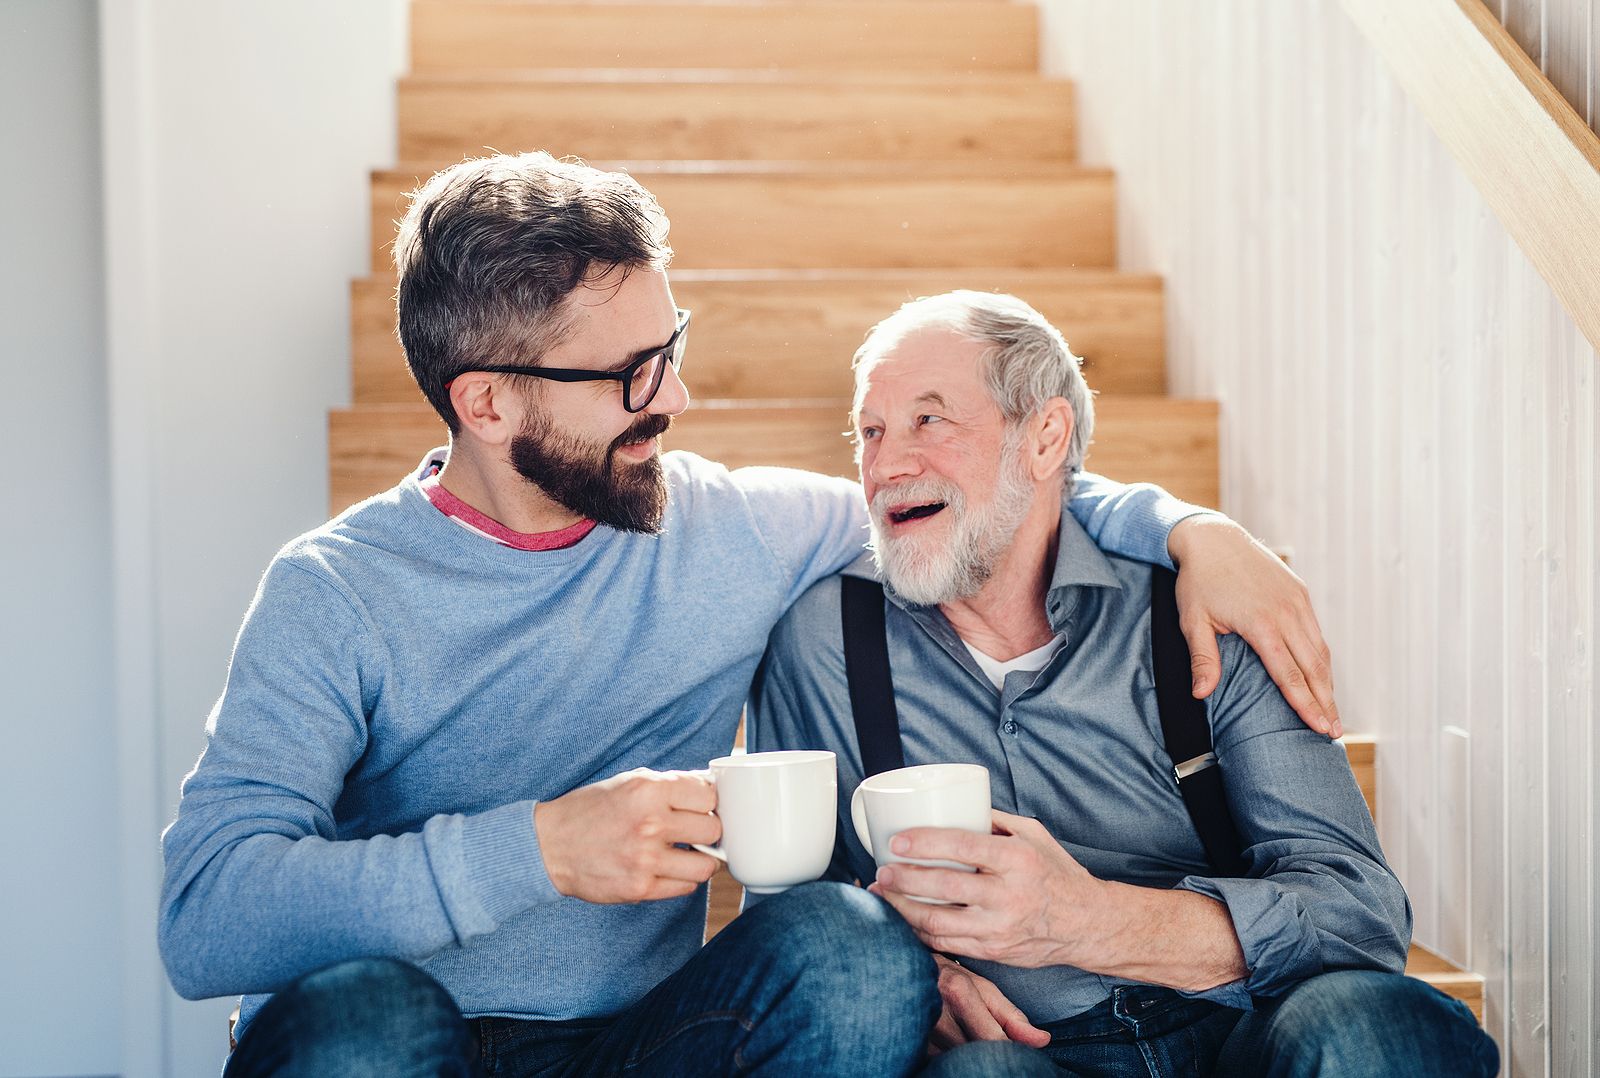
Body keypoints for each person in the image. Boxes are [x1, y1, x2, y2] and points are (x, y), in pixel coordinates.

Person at [159, 153, 1344, 1077]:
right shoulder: (336, 590)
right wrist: (537, 850)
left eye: (668, 348)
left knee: (851, 950)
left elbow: (975, 490)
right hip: (398, 1039)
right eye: (630, 374)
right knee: (368, 1016)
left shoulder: (727, 528)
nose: (675, 396)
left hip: (643, 1043)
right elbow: (206, 917)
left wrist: (1190, 528)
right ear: (488, 404)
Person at [749, 291, 1498, 1077]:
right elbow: (803, 925)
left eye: (929, 421)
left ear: (1044, 437)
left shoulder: (1203, 610)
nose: (887, 465)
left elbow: (1360, 917)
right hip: (1024, 1053)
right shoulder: (824, 641)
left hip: (1242, 1026)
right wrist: (917, 983)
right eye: (871, 431)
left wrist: (1092, 921)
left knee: (1377, 1031)